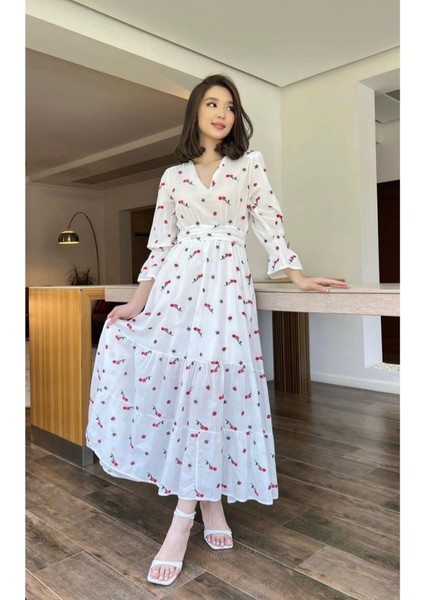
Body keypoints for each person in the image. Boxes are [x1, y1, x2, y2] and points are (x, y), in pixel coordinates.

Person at [85, 73, 349, 586]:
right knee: (186, 390)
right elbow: (160, 244)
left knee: (214, 390)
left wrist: (296, 274)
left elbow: (269, 223)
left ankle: (185, 517)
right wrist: (137, 302)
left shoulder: (248, 165)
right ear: (196, 112)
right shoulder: (172, 177)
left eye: (229, 105)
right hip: (178, 288)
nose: (222, 113)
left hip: (227, 290)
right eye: (212, 103)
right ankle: (206, 505)